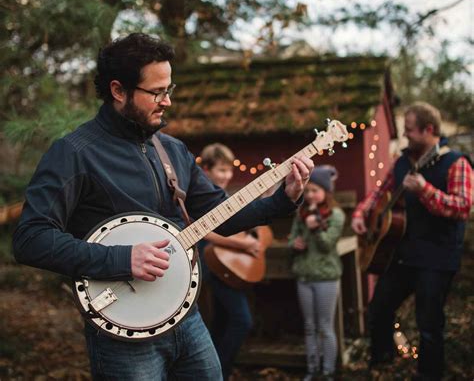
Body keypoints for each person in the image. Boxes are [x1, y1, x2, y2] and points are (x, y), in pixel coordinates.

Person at [12, 33, 314, 381]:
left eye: (169, 90)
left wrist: (283, 198)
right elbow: (30, 238)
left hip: (188, 319)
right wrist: (122, 259)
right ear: (118, 90)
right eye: (157, 92)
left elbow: (221, 214)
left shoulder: (172, 150)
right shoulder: (74, 153)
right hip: (123, 331)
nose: (167, 101)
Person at [351, 102, 473, 380]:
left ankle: (429, 375)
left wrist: (425, 190)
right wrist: (362, 213)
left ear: (429, 129)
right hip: (402, 254)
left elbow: (463, 208)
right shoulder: (402, 162)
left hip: (437, 258)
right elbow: (380, 192)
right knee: (378, 309)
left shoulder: (457, 163)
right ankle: (383, 363)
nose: (405, 136)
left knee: (428, 325)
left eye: (409, 130)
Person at [197, 143, 261, 380]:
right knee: (241, 320)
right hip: (212, 264)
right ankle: (218, 371)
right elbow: (203, 231)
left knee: (223, 320)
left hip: (227, 263)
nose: (227, 175)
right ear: (206, 170)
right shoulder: (201, 193)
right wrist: (243, 245)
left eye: (229, 170)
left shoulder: (223, 195)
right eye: (221, 170)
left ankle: (213, 371)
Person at [288, 165, 345, 381]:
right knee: (310, 326)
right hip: (304, 275)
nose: (311, 194)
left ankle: (328, 371)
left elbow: (327, 245)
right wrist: (296, 244)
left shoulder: (336, 215)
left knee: (325, 326)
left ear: (326, 192)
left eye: (315, 190)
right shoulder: (300, 214)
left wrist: (316, 228)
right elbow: (292, 239)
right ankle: (312, 368)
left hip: (326, 277)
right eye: (308, 190)